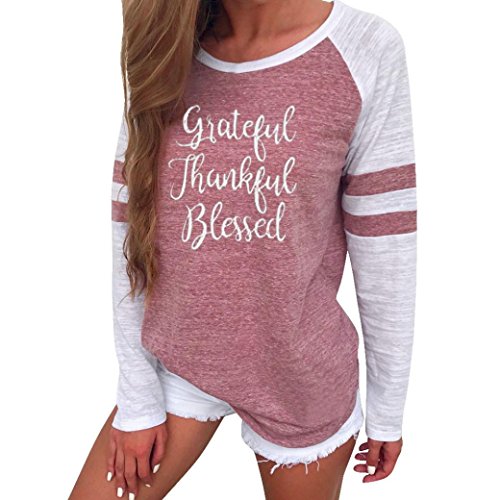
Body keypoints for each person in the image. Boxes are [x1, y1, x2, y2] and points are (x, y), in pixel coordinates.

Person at [70, 0, 417, 498]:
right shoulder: (168, 45)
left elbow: (385, 243)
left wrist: (387, 408)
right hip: (179, 363)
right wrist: (138, 398)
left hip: (297, 376)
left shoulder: (364, 48)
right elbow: (128, 233)